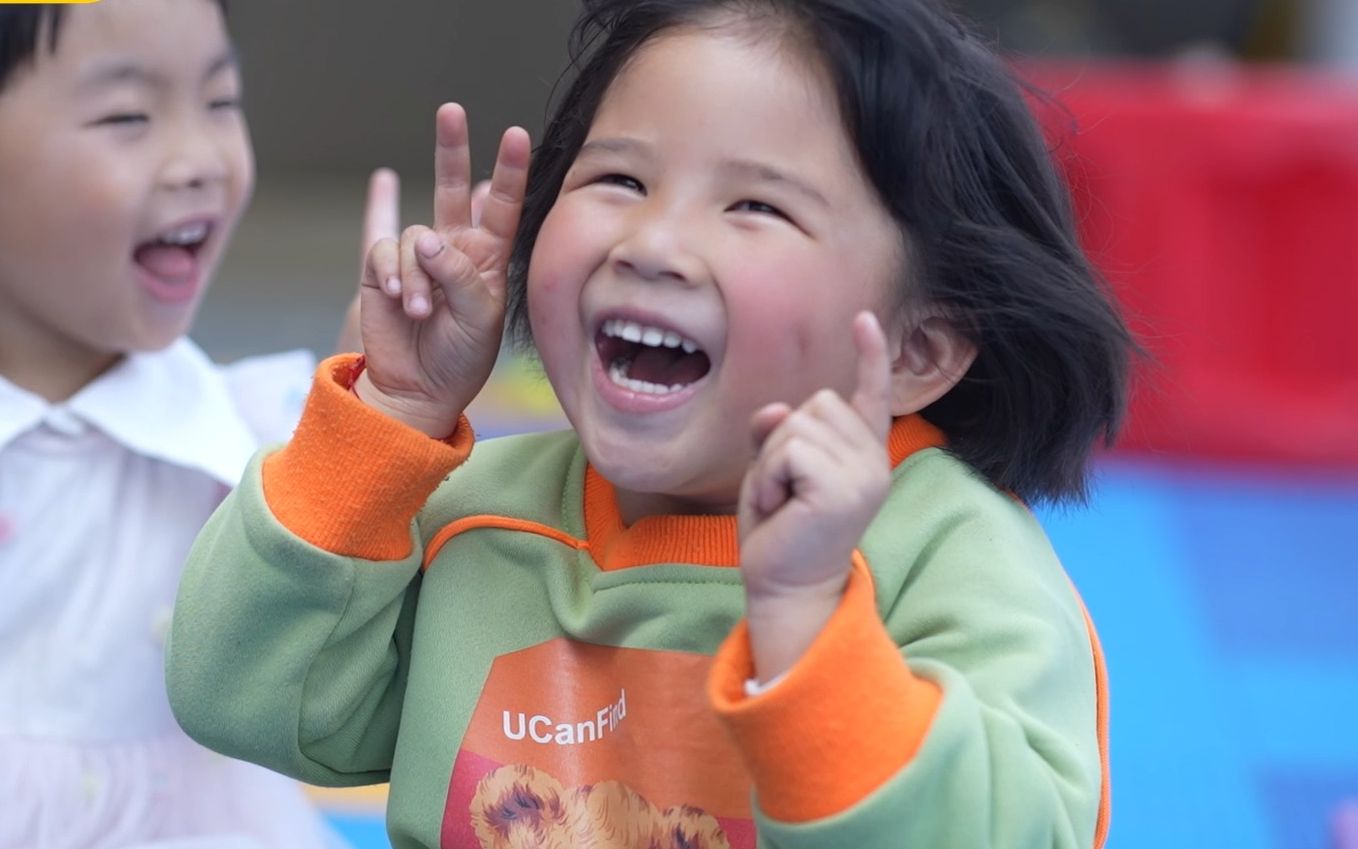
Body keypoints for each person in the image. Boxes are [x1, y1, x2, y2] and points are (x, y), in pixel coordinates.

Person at [166, 0, 1133, 846]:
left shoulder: (943, 556)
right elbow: (243, 696)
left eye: (755, 204)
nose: (655, 242)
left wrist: (806, 622)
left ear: (918, 348)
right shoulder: (478, 513)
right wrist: (388, 417)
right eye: (620, 181)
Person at [0, 1, 386, 845]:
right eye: (127, 116)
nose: (201, 158)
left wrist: (375, 417)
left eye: (221, 101)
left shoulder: (263, 438)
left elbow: (347, 671)